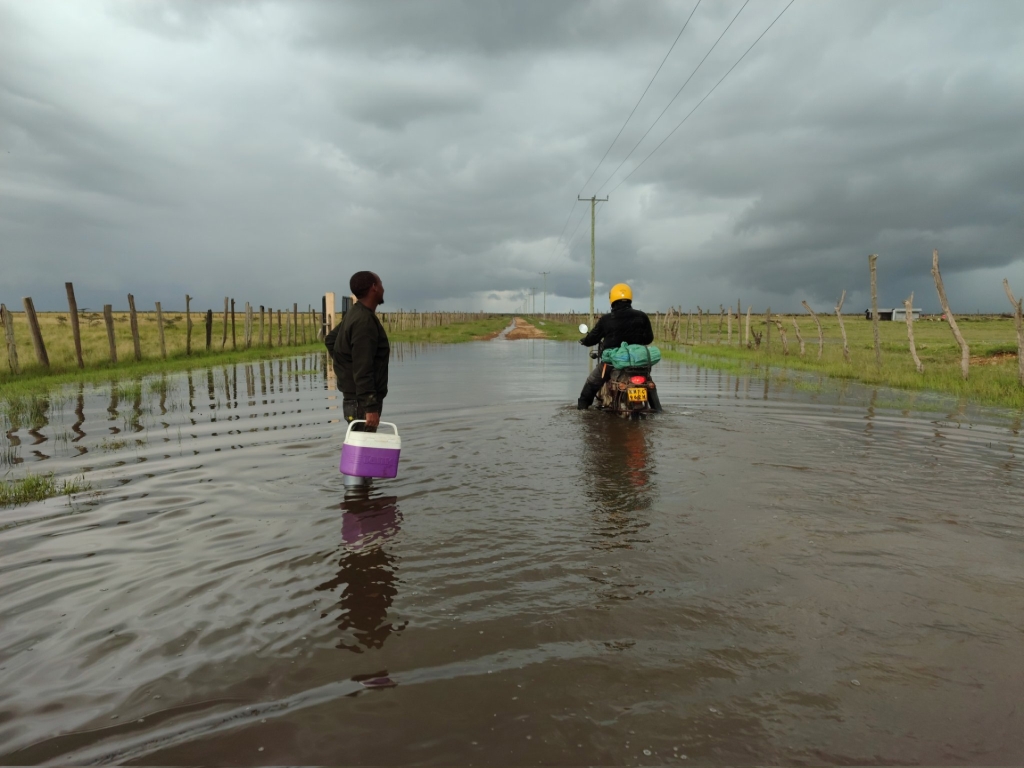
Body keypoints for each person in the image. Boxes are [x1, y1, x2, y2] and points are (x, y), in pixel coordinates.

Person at [577, 282, 662, 412]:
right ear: (630, 298)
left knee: (592, 382)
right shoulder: (642, 316)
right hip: (638, 364)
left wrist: (585, 341)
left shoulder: (606, 319)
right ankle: (658, 410)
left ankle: (582, 410)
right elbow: (648, 339)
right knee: (649, 384)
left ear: (612, 299)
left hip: (613, 364)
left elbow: (593, 338)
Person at [325, 271, 390, 432]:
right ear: (374, 288)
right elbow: (363, 367)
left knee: (360, 451)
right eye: (381, 283)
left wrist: (347, 369)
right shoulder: (364, 321)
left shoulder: (354, 314)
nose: (383, 288)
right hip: (362, 404)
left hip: (354, 400)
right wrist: (370, 407)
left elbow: (331, 340)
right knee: (363, 453)